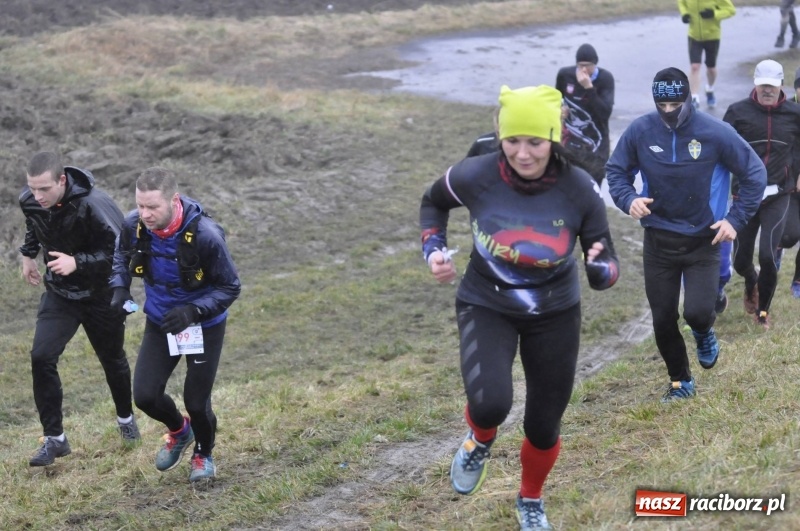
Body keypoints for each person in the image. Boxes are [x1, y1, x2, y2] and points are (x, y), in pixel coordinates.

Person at [420, 84, 620, 530]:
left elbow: (606, 266)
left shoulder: (580, 189)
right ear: (499, 136)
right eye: (513, 141)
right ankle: (480, 440)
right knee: (491, 403)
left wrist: (599, 264)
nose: (523, 153)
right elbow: (433, 202)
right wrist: (432, 249)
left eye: (535, 141)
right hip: (485, 302)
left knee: (543, 426)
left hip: (555, 313)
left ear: (554, 138)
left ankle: (530, 499)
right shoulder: (475, 174)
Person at [607, 67, 765, 402]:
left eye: (675, 105)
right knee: (663, 319)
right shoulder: (640, 131)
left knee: (696, 312)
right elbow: (616, 171)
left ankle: (704, 331)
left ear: (688, 100)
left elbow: (754, 174)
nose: (668, 113)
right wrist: (628, 199)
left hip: (703, 241)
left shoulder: (715, 132)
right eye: (662, 106)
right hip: (658, 241)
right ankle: (681, 382)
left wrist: (734, 220)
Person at [110, 167, 241, 483]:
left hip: (203, 326)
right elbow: (121, 255)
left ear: (174, 200)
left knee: (197, 401)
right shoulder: (134, 225)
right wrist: (119, 288)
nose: (145, 214)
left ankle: (203, 454)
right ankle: (180, 431)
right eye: (141, 206)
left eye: (153, 207)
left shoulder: (206, 236)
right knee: (145, 396)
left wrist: (194, 310)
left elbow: (230, 287)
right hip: (161, 321)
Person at [18, 151, 139, 467]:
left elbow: (119, 253)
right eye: (33, 188)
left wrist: (77, 262)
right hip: (60, 293)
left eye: (44, 189)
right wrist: (28, 255)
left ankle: (126, 419)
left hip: (101, 295)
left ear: (62, 180)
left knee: (112, 359)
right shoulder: (31, 201)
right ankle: (55, 440)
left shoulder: (93, 204)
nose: (37, 196)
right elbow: (36, 223)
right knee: (41, 356)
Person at [722, 59, 800, 329]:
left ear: (781, 86)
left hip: (779, 194)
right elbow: (721, 148)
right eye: (763, 85)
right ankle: (750, 281)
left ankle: (763, 313)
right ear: (756, 85)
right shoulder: (737, 112)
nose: (768, 91)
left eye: (773, 86)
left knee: (768, 255)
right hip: (745, 197)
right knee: (740, 260)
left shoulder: (794, 114)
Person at [555, 43, 615, 186]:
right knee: (567, 186)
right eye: (580, 65)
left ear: (595, 64)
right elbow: (556, 99)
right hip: (570, 144)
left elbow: (605, 114)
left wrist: (589, 88)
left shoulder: (605, 79)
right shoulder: (565, 75)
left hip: (596, 145)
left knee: (592, 187)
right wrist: (559, 109)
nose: (583, 70)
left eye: (587, 65)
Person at [677, 0, 736, 109]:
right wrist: (684, 13)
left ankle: (710, 89)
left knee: (711, 69)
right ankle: (694, 97)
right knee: (695, 67)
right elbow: (682, 2)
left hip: (712, 36)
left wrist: (714, 14)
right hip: (694, 36)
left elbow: (731, 10)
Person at [777, 66, 800, 297]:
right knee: (790, 234)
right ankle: (777, 248)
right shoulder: (788, 112)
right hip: (788, 182)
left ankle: (798, 280)